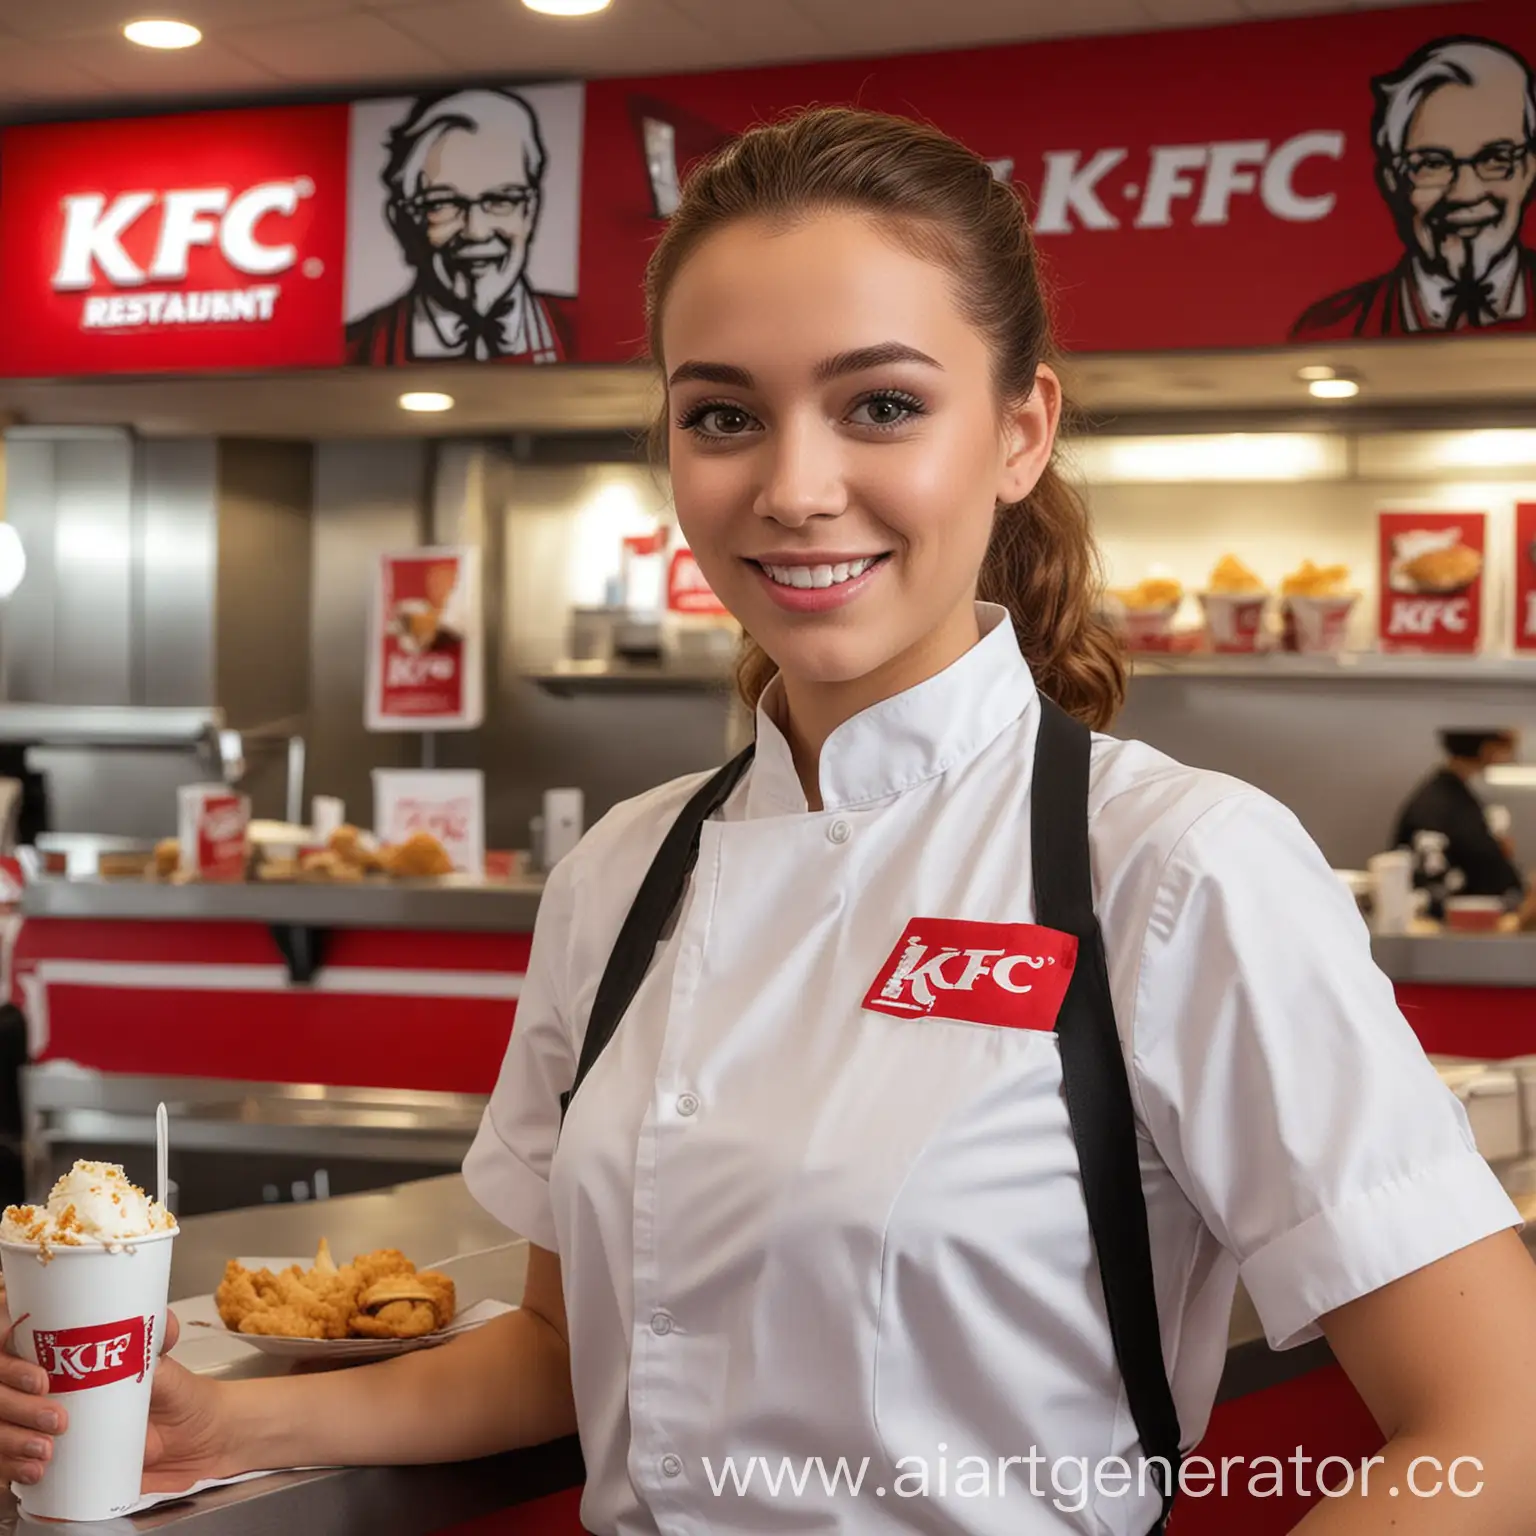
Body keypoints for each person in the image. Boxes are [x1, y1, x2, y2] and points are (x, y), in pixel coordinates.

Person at [5, 107, 1536, 1535]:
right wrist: (234, 1433)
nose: (797, 488)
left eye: (881, 404)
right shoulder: (622, 876)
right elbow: (566, 1350)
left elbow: (1497, 1421)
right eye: (725, 414)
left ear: (1019, 433)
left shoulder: (1174, 867)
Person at [1293, 36, 1536, 339]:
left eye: (1495, 159)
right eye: (1432, 164)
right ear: (1393, 181)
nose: (1465, 193)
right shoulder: (1328, 331)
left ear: (1528, 170)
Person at [344, 88, 572, 365]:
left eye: (501, 200)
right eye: (443, 204)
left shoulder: (588, 329)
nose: (476, 231)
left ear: (531, 212)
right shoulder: (355, 349)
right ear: (401, 221)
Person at [1392, 728, 1526, 916]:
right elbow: (1491, 876)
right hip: (1452, 923)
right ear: (1488, 748)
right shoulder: (1447, 805)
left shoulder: (1442, 796)